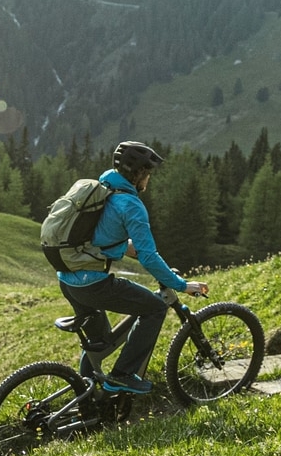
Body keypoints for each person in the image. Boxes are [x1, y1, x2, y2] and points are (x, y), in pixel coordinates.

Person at [56, 140, 208, 394]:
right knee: (155, 308)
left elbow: (106, 238)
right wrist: (181, 285)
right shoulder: (132, 205)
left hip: (67, 279)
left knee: (100, 343)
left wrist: (160, 267)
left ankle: (87, 399)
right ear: (140, 174)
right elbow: (148, 257)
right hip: (92, 283)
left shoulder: (101, 189)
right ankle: (123, 374)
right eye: (148, 174)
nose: (149, 180)